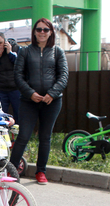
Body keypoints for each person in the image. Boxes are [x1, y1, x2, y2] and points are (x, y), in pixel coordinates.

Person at [10, 19, 68, 185]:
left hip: (52, 102)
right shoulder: (25, 52)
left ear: (51, 32)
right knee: (23, 136)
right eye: (39, 29)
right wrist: (30, 93)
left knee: (45, 137)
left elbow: (63, 76)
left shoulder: (58, 52)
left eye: (46, 30)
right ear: (34, 32)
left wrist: (52, 93)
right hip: (29, 101)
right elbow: (18, 76)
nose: (42, 32)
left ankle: (41, 171)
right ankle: (11, 171)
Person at [0, 32, 21, 125]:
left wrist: (10, 53)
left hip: (15, 88)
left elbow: (20, 64)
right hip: (1, 88)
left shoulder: (15, 49)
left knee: (19, 112)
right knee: (1, 114)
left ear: (5, 41)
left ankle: (19, 133)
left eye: (0, 43)